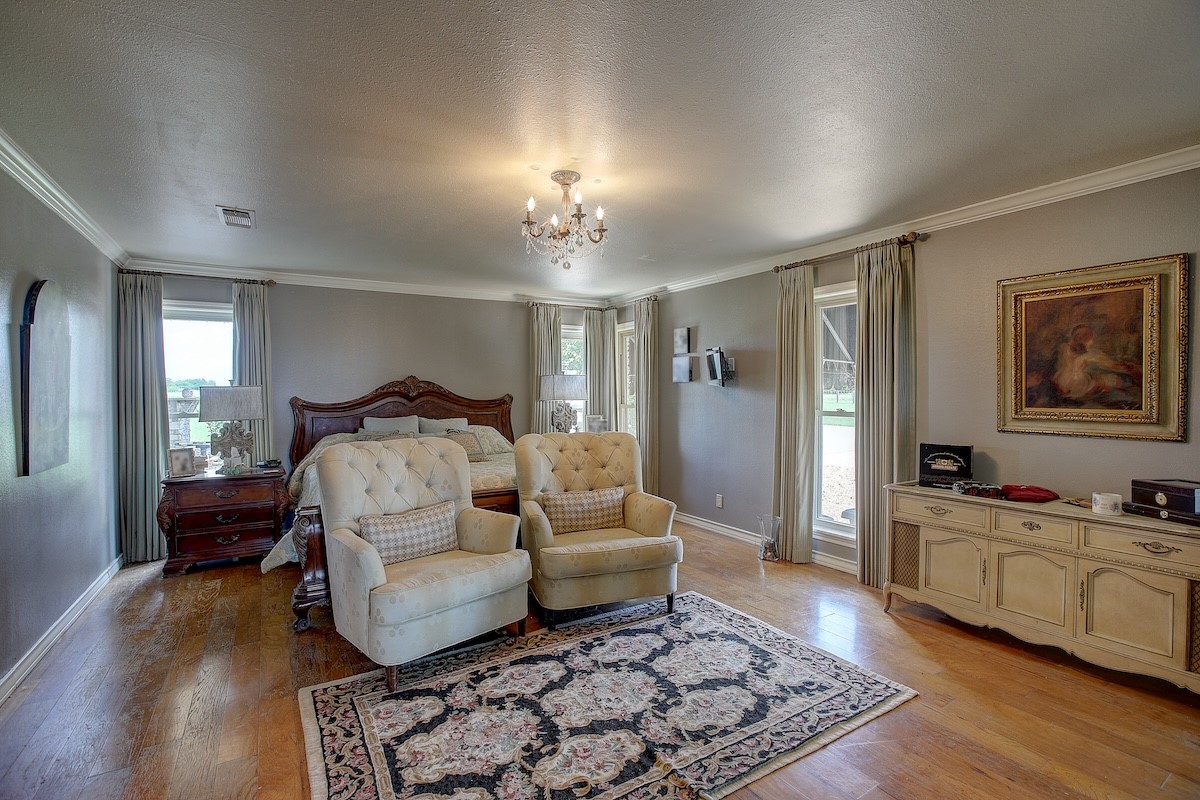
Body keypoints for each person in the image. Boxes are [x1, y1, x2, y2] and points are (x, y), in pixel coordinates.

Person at [1051, 323, 1141, 406]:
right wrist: (1131, 368)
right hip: (1077, 387)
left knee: (1093, 378)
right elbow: (1114, 366)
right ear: (1085, 340)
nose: (1092, 342)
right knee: (1110, 379)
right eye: (1091, 339)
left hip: (1060, 385)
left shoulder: (1063, 347)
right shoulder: (1092, 354)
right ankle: (1128, 396)